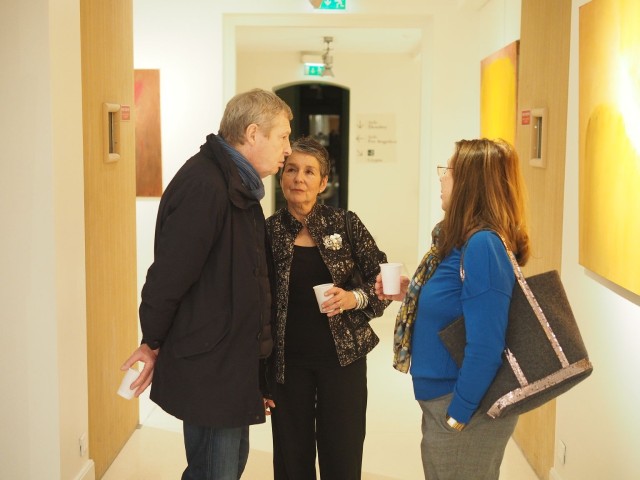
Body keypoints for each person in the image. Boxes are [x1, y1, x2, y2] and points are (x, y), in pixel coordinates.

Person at [120, 88, 292, 480]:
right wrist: (153, 340)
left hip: (228, 361)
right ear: (253, 133)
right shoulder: (207, 186)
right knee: (215, 472)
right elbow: (169, 275)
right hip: (213, 364)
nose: (287, 149)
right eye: (282, 137)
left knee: (226, 466)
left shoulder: (236, 185)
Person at [376, 138, 530, 480]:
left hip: (464, 407)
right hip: (445, 401)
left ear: (470, 185)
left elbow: (486, 346)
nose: (441, 177)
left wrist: (458, 414)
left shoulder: (483, 245)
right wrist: (413, 293)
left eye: (449, 170)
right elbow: (458, 303)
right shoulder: (459, 241)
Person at [266, 136, 390, 479]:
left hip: (343, 362)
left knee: (343, 455)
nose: (298, 178)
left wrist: (354, 298)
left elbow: (382, 280)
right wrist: (259, 375)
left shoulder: (345, 224)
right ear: (281, 176)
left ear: (323, 182)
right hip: (288, 365)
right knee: (292, 461)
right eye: (291, 169)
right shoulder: (268, 231)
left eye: (309, 172)